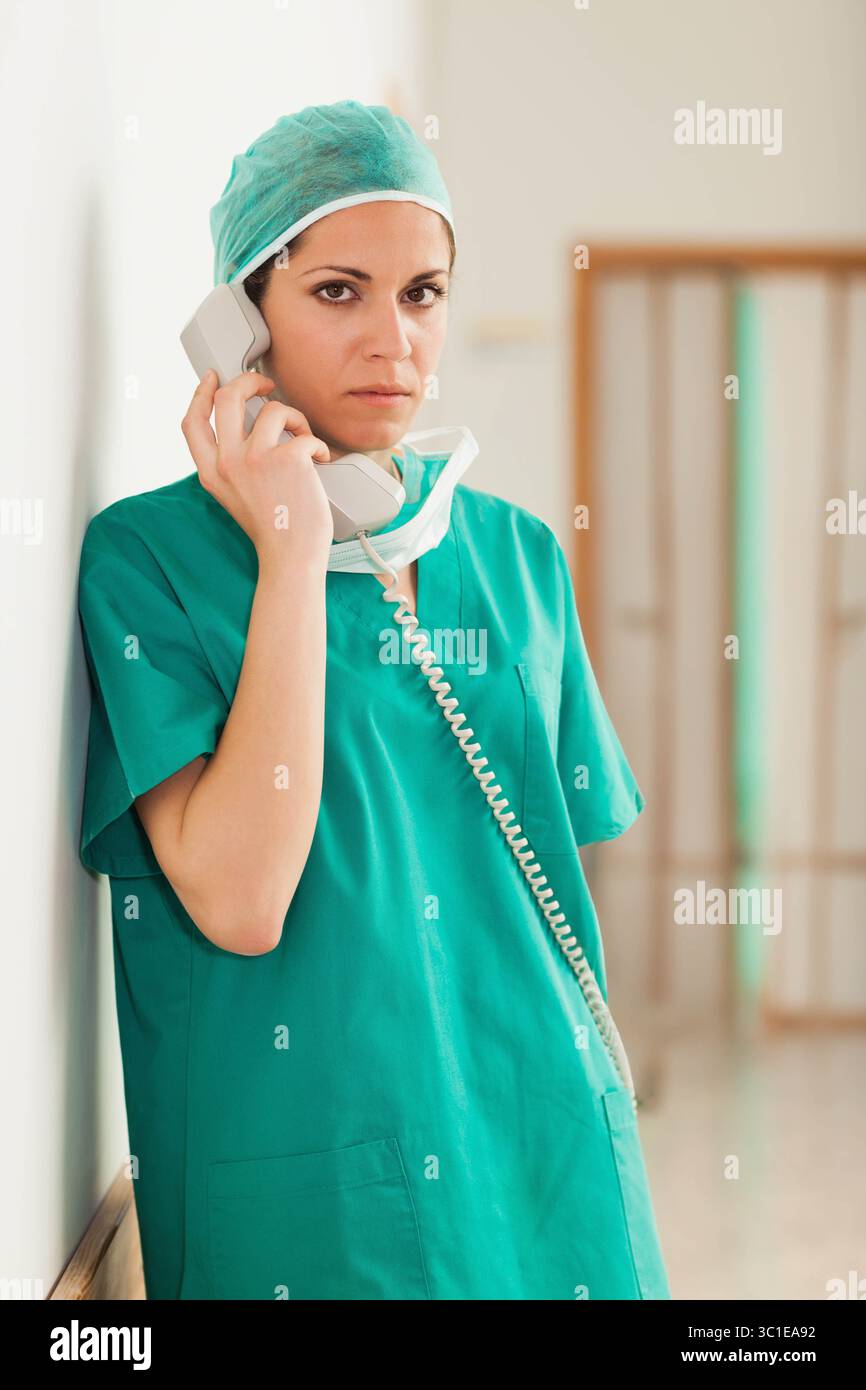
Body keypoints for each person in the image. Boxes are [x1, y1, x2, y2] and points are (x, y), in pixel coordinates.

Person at [77, 99, 672, 1301]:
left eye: (423, 293)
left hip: (549, 1150)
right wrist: (294, 550)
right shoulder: (149, 561)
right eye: (338, 291)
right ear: (238, 322)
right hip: (316, 1194)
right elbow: (241, 899)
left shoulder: (511, 555)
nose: (393, 340)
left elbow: (553, 878)